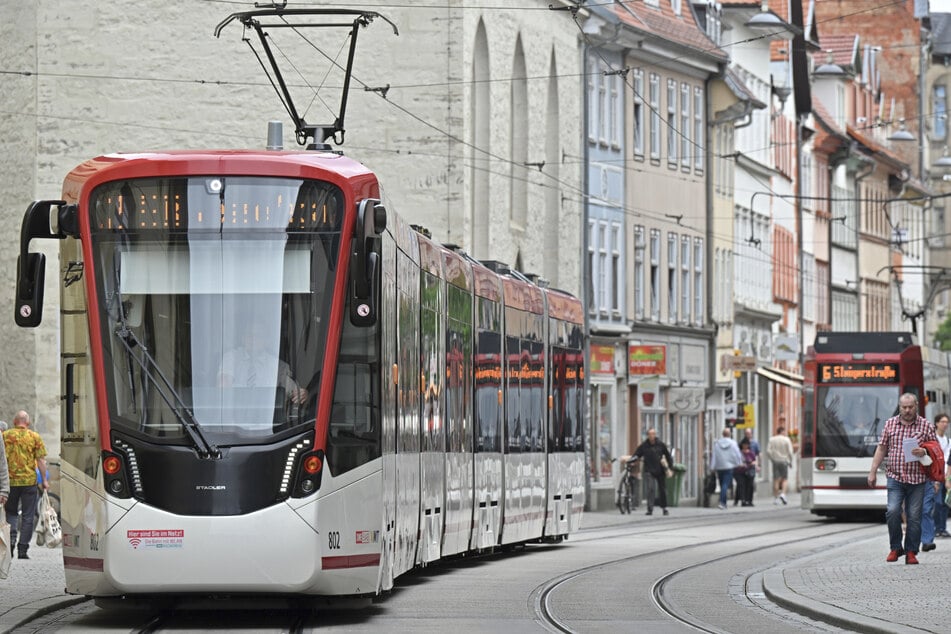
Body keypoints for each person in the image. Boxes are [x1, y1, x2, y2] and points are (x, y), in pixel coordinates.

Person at [867, 392, 937, 565]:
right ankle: (896, 547)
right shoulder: (890, 424)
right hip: (895, 477)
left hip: (918, 479)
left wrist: (924, 451)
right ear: (899, 407)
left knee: (914, 516)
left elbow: (935, 449)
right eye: (904, 407)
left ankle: (911, 551)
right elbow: (882, 448)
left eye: (910, 407)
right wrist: (873, 471)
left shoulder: (925, 425)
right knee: (892, 511)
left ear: (916, 406)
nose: (907, 410)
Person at [3, 411, 48, 560]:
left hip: (10, 482)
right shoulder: (34, 437)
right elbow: (41, 460)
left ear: (14, 422)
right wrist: (44, 480)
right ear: (27, 423)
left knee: (11, 513)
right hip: (29, 482)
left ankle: (11, 541)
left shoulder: (5, 436)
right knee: (28, 516)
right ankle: (23, 549)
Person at [632, 428, 674, 516]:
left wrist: (670, 467)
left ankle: (664, 508)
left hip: (660, 470)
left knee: (662, 489)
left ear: (655, 435)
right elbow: (637, 454)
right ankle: (650, 509)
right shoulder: (644, 446)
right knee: (650, 489)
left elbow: (668, 456)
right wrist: (632, 460)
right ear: (647, 435)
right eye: (650, 434)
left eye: (653, 434)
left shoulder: (661, 444)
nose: (651, 436)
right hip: (649, 470)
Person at [709, 428, 742, 510]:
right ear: (729, 434)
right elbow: (737, 454)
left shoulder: (717, 444)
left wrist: (712, 466)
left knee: (721, 484)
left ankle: (723, 502)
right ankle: (722, 502)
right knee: (725, 484)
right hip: (729, 466)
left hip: (720, 466)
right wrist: (739, 463)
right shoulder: (733, 443)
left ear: (723, 434)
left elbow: (714, 455)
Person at [767, 424, 796, 505]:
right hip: (784, 461)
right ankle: (783, 494)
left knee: (776, 479)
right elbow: (790, 452)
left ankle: (776, 498)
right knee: (784, 479)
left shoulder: (772, 439)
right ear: (782, 432)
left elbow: (768, 451)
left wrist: (772, 458)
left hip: (775, 461)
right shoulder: (786, 440)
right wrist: (790, 461)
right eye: (784, 431)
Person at [937, 413, 951, 539]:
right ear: (937, 423)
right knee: (937, 503)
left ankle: (942, 528)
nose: (945, 424)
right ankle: (936, 528)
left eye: (947, 422)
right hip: (936, 475)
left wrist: (948, 476)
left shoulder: (948, 440)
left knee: (945, 502)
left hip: (946, 474)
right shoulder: (933, 439)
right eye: (942, 421)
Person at [734, 437, 757, 506]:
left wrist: (753, 463)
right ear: (742, 445)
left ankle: (749, 500)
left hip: (749, 471)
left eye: (747, 444)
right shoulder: (738, 453)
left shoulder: (751, 453)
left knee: (750, 486)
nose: (745, 446)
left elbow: (755, 461)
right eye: (744, 444)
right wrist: (740, 464)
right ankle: (743, 500)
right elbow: (735, 461)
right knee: (741, 485)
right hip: (739, 472)